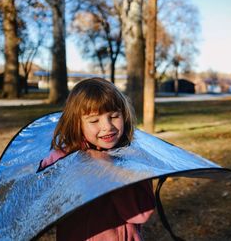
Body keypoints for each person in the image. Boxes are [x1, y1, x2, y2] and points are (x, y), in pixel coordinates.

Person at [38, 77, 155, 241]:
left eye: (114, 116)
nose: (107, 126)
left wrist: (111, 170)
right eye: (94, 120)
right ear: (76, 123)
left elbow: (141, 214)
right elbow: (42, 202)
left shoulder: (134, 158)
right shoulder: (63, 158)